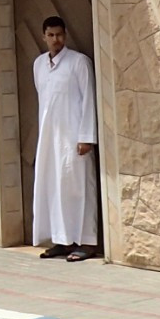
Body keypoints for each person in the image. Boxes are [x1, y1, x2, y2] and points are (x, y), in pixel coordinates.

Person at [31, 16, 99, 262]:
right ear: (44, 36)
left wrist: (86, 137)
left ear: (65, 35)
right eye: (51, 35)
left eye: (59, 35)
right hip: (50, 139)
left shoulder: (78, 63)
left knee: (77, 189)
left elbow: (89, 99)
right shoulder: (39, 64)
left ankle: (86, 242)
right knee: (53, 188)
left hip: (74, 138)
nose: (55, 40)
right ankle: (61, 239)